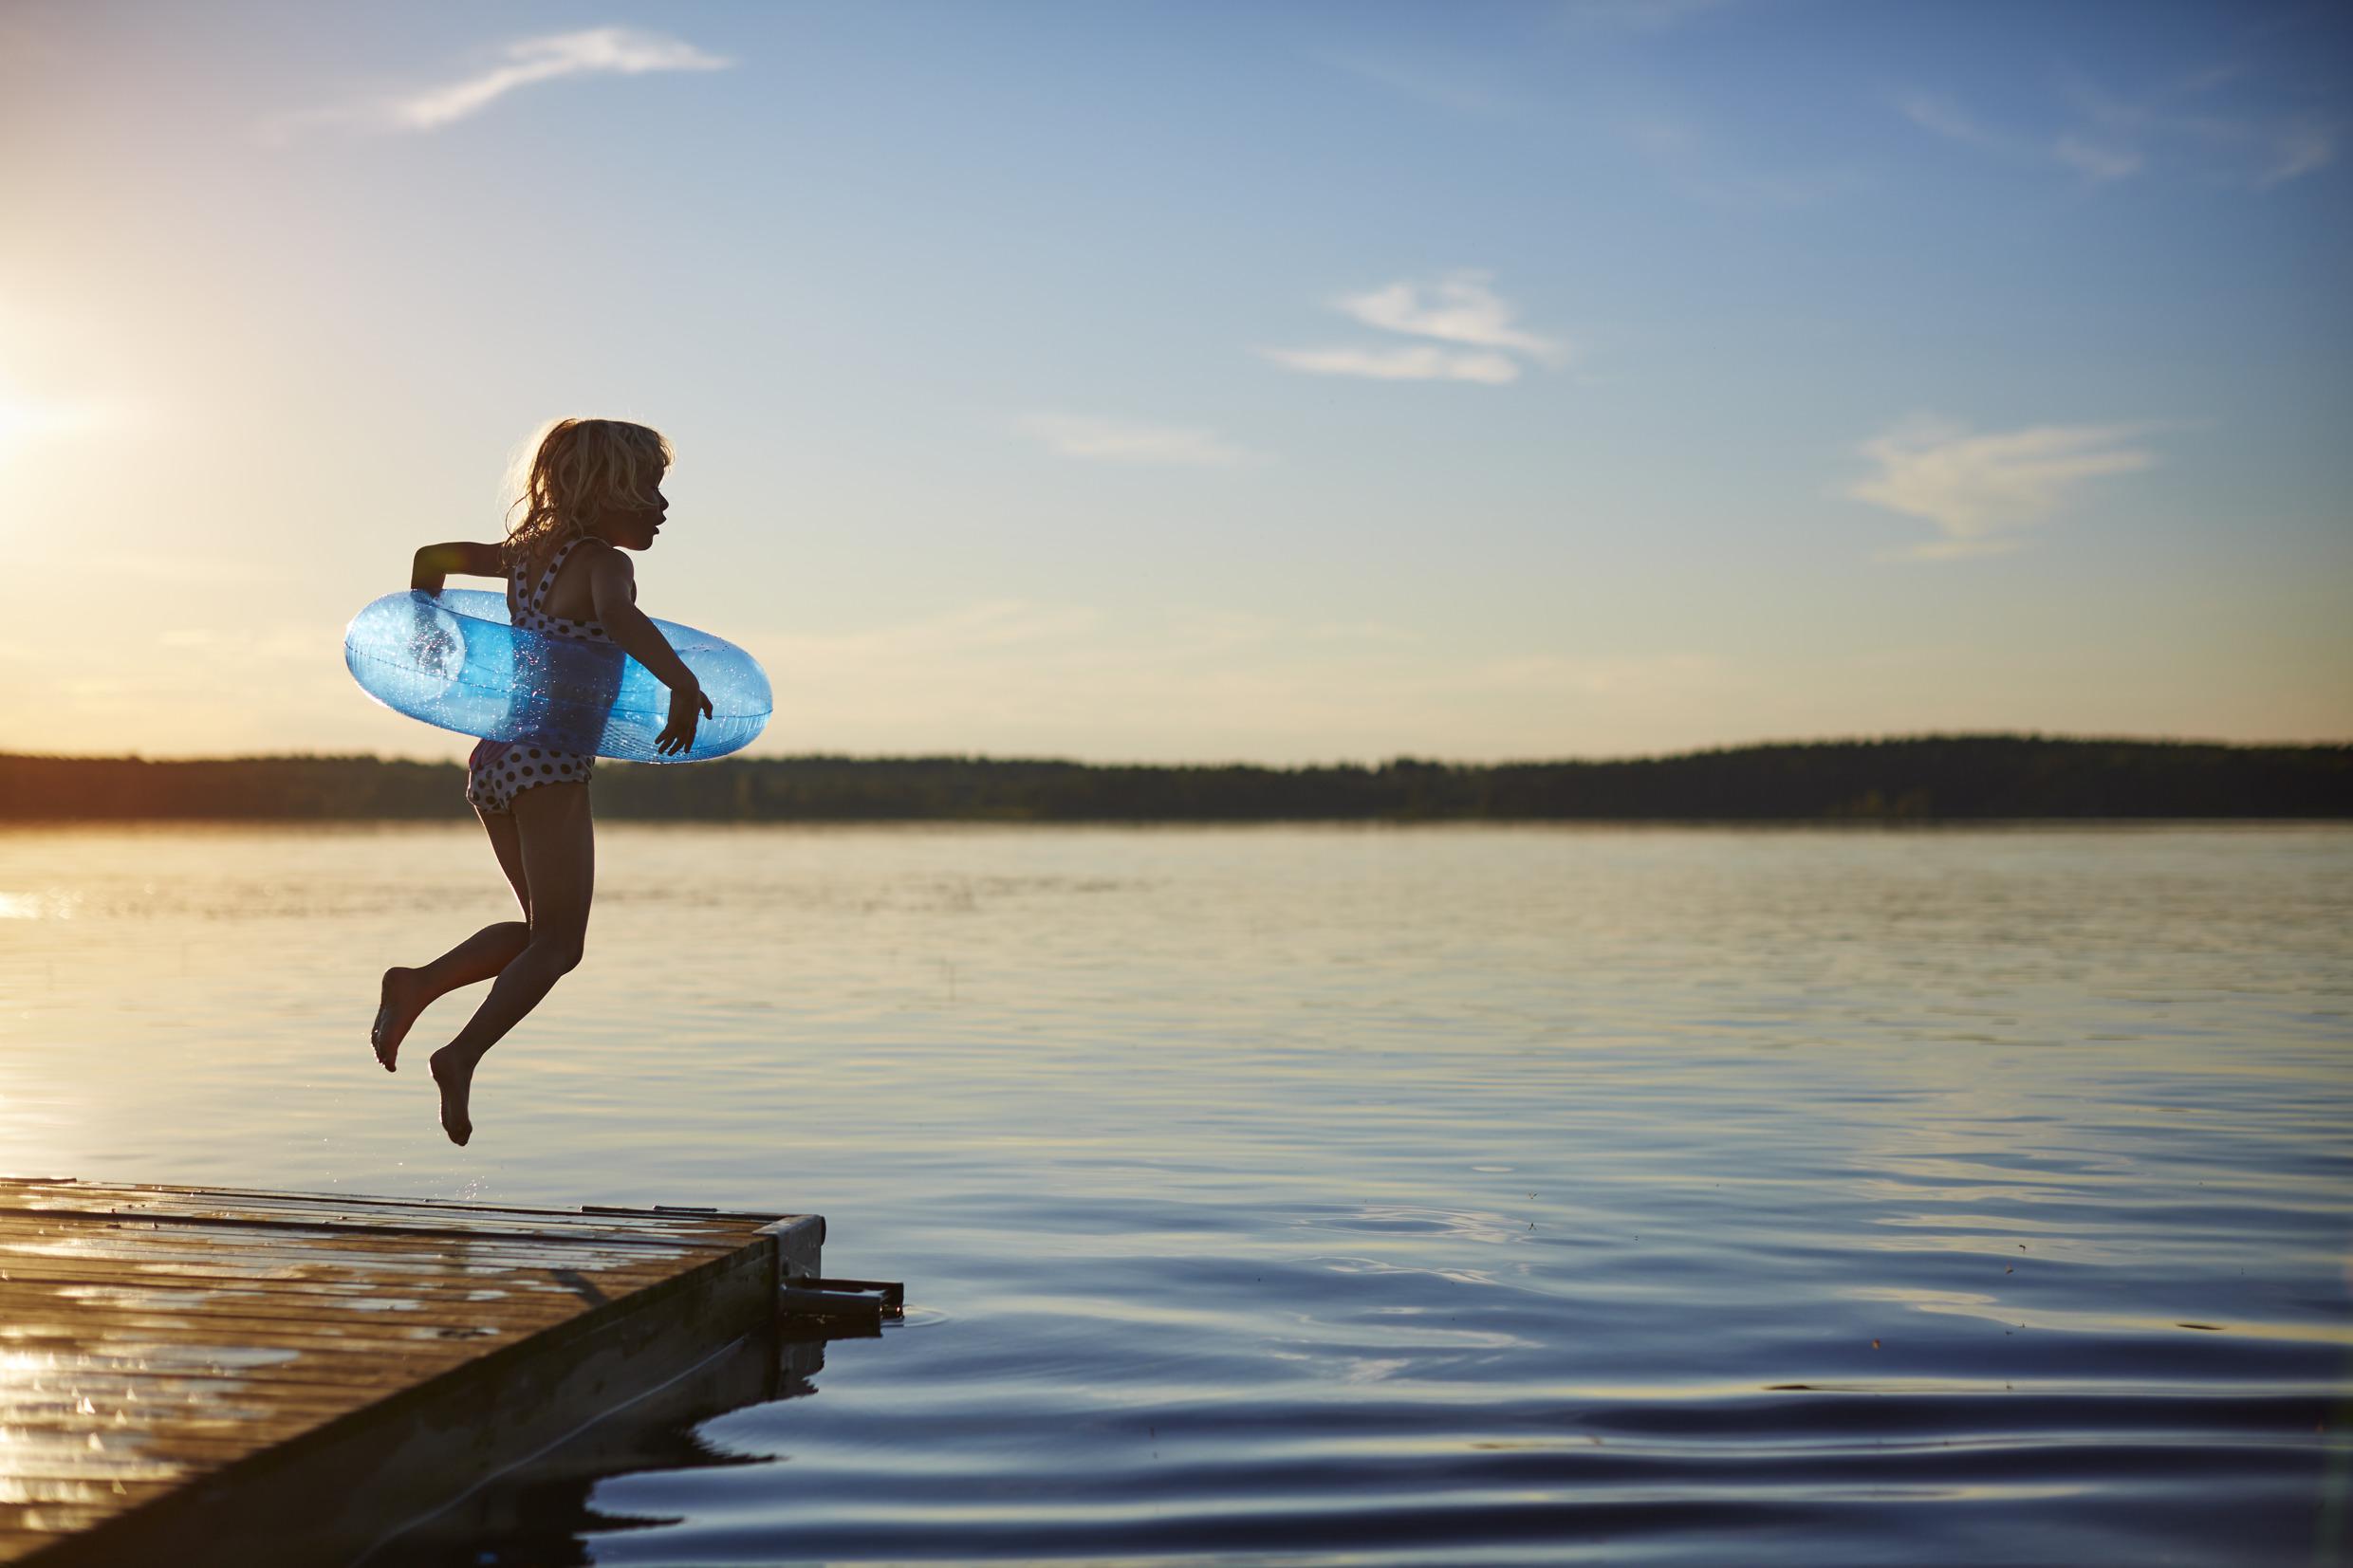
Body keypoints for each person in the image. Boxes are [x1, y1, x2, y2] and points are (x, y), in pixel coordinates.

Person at [369, 418, 713, 1145]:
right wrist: (680, 681)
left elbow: (431, 555)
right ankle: (460, 1054)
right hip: (551, 764)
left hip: (495, 761)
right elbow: (620, 618)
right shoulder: (601, 564)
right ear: (602, 491)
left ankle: (417, 982)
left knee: (537, 935)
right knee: (562, 947)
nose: (660, 505)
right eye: (646, 488)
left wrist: (428, 621)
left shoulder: (525, 558)